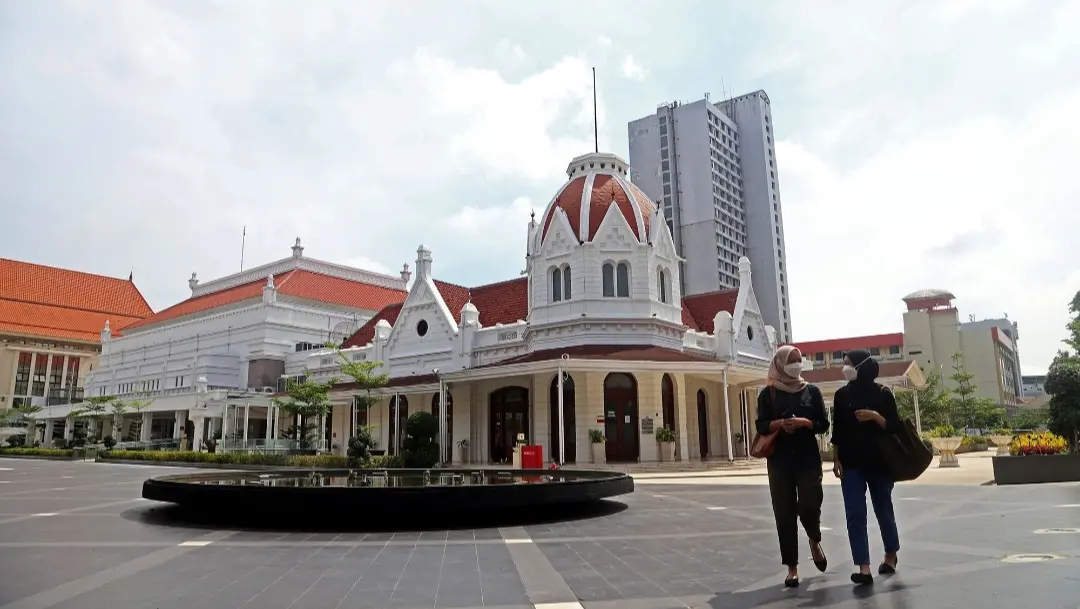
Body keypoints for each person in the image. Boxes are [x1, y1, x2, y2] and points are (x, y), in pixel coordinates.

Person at [756, 345, 830, 587]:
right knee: (784, 512)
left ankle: (814, 538)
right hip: (780, 461)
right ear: (779, 364)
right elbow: (761, 425)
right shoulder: (768, 394)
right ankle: (792, 567)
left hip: (808, 459)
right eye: (792, 360)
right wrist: (780, 424)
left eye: (799, 360)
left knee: (810, 504)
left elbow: (823, 424)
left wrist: (804, 422)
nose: (797, 364)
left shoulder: (812, 391)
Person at [830, 349, 903, 585]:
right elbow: (837, 431)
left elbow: (894, 426)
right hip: (851, 464)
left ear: (861, 366)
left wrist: (874, 416)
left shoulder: (883, 393)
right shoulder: (841, 396)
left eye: (849, 363)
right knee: (854, 513)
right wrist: (836, 458)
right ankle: (863, 567)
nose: (845, 367)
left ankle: (890, 555)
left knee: (884, 510)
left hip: (879, 463)